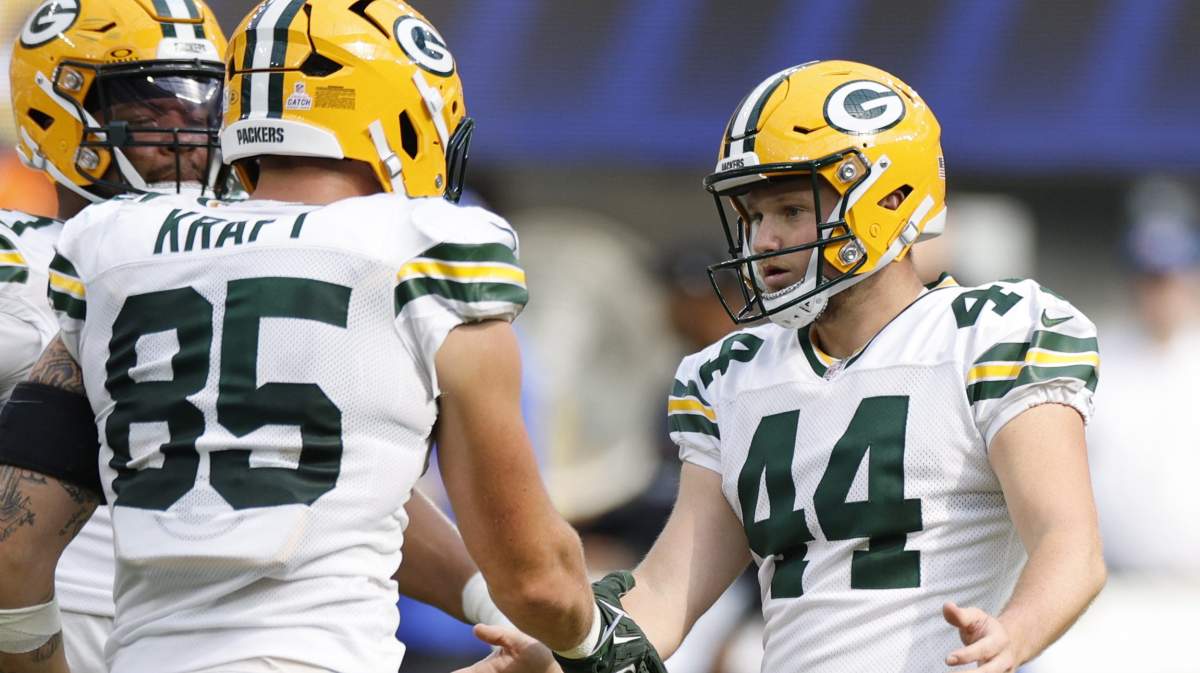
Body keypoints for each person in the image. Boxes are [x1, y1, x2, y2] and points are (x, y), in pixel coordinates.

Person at [0, 1, 599, 672]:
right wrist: (592, 640)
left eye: (204, 102)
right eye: (150, 108)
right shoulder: (411, 250)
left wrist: (486, 597)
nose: (188, 131)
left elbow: (328, 478)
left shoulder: (112, 254)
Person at [497, 60, 1108, 673]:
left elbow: (1069, 545)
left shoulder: (993, 334)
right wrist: (564, 654)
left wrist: (1012, 635)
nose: (763, 240)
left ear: (891, 197)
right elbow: (664, 596)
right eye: (753, 216)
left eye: (791, 210)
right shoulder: (732, 376)